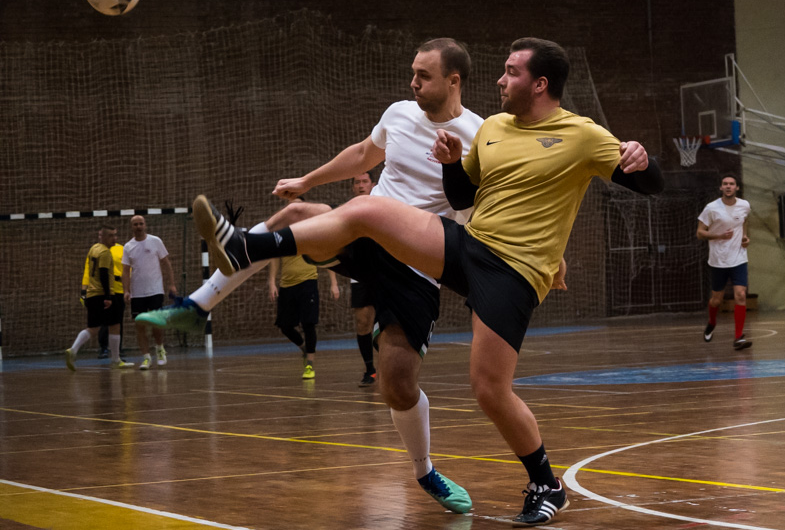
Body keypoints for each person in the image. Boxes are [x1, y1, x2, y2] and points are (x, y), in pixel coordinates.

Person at [193, 37, 662, 526]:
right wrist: (452, 162)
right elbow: (461, 196)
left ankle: (546, 483)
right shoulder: (494, 128)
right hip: (469, 245)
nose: (500, 80)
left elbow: (651, 184)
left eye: (511, 72)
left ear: (540, 84)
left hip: (514, 271)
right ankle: (245, 246)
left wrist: (641, 159)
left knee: (489, 389)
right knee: (368, 209)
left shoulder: (581, 134)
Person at [139, 38, 483, 515]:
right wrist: (307, 181)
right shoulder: (400, 113)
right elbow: (362, 153)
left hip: (417, 263)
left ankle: (424, 470)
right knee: (300, 212)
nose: (413, 83)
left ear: (453, 80)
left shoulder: (479, 135)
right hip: (367, 233)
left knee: (397, 385)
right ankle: (198, 305)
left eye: (423, 76)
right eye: (412, 72)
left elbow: (491, 205)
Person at [268, 205, 341, 380]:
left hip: (308, 282)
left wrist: (334, 283)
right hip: (286, 285)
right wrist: (271, 281)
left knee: (308, 324)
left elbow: (326, 255)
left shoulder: (311, 230)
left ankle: (310, 364)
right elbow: (275, 258)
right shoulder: (282, 233)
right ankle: (304, 348)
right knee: (285, 326)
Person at [66, 225, 135, 370]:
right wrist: (108, 296)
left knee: (93, 327)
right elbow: (103, 274)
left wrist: (85, 292)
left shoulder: (94, 249)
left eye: (115, 235)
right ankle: (115, 359)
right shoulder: (105, 253)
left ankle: (73, 350)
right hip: (105, 294)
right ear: (101, 236)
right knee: (115, 325)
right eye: (110, 235)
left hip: (93, 294)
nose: (114, 238)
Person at [697, 173, 752, 350]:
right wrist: (719, 235)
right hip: (718, 260)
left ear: (737, 187)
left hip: (739, 258)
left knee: (740, 295)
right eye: (725, 183)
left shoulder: (744, 205)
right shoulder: (711, 208)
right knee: (716, 300)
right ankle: (712, 322)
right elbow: (700, 233)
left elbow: (744, 221)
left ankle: (738, 337)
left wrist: (744, 237)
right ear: (721, 187)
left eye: (732, 183)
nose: (728, 186)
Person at [122, 215, 178, 370]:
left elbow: (166, 263)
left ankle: (160, 349)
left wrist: (172, 284)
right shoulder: (128, 247)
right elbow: (125, 270)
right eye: (135, 224)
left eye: (141, 223)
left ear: (145, 225)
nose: (138, 226)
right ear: (132, 227)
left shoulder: (155, 241)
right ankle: (146, 357)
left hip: (155, 290)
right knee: (140, 325)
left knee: (156, 323)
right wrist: (126, 290)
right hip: (137, 293)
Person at [349, 172, 378, 386]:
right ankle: (370, 370)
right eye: (357, 182)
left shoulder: (383, 205)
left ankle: (390, 366)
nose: (360, 185)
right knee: (362, 322)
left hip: (384, 273)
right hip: (359, 274)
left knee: (386, 322)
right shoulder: (348, 211)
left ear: (373, 185)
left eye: (364, 182)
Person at [84, 236, 125, 360]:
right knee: (103, 321)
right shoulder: (97, 250)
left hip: (119, 289)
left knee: (117, 321)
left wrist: (128, 288)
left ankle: (117, 350)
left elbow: (127, 269)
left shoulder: (121, 249)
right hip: (105, 290)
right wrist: (84, 288)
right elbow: (88, 270)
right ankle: (104, 348)